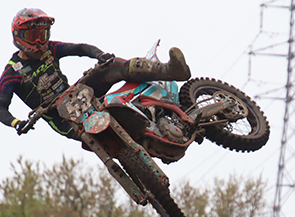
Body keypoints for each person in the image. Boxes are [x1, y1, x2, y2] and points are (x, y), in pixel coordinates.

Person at [0, 8, 191, 139]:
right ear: (18, 37)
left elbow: (80, 48)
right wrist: (16, 123)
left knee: (112, 66)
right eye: (34, 36)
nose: (40, 42)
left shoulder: (51, 48)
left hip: (79, 96)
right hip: (62, 119)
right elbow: (1, 107)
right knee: (98, 135)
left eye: (43, 35)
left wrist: (100, 55)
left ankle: (170, 71)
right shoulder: (12, 72)